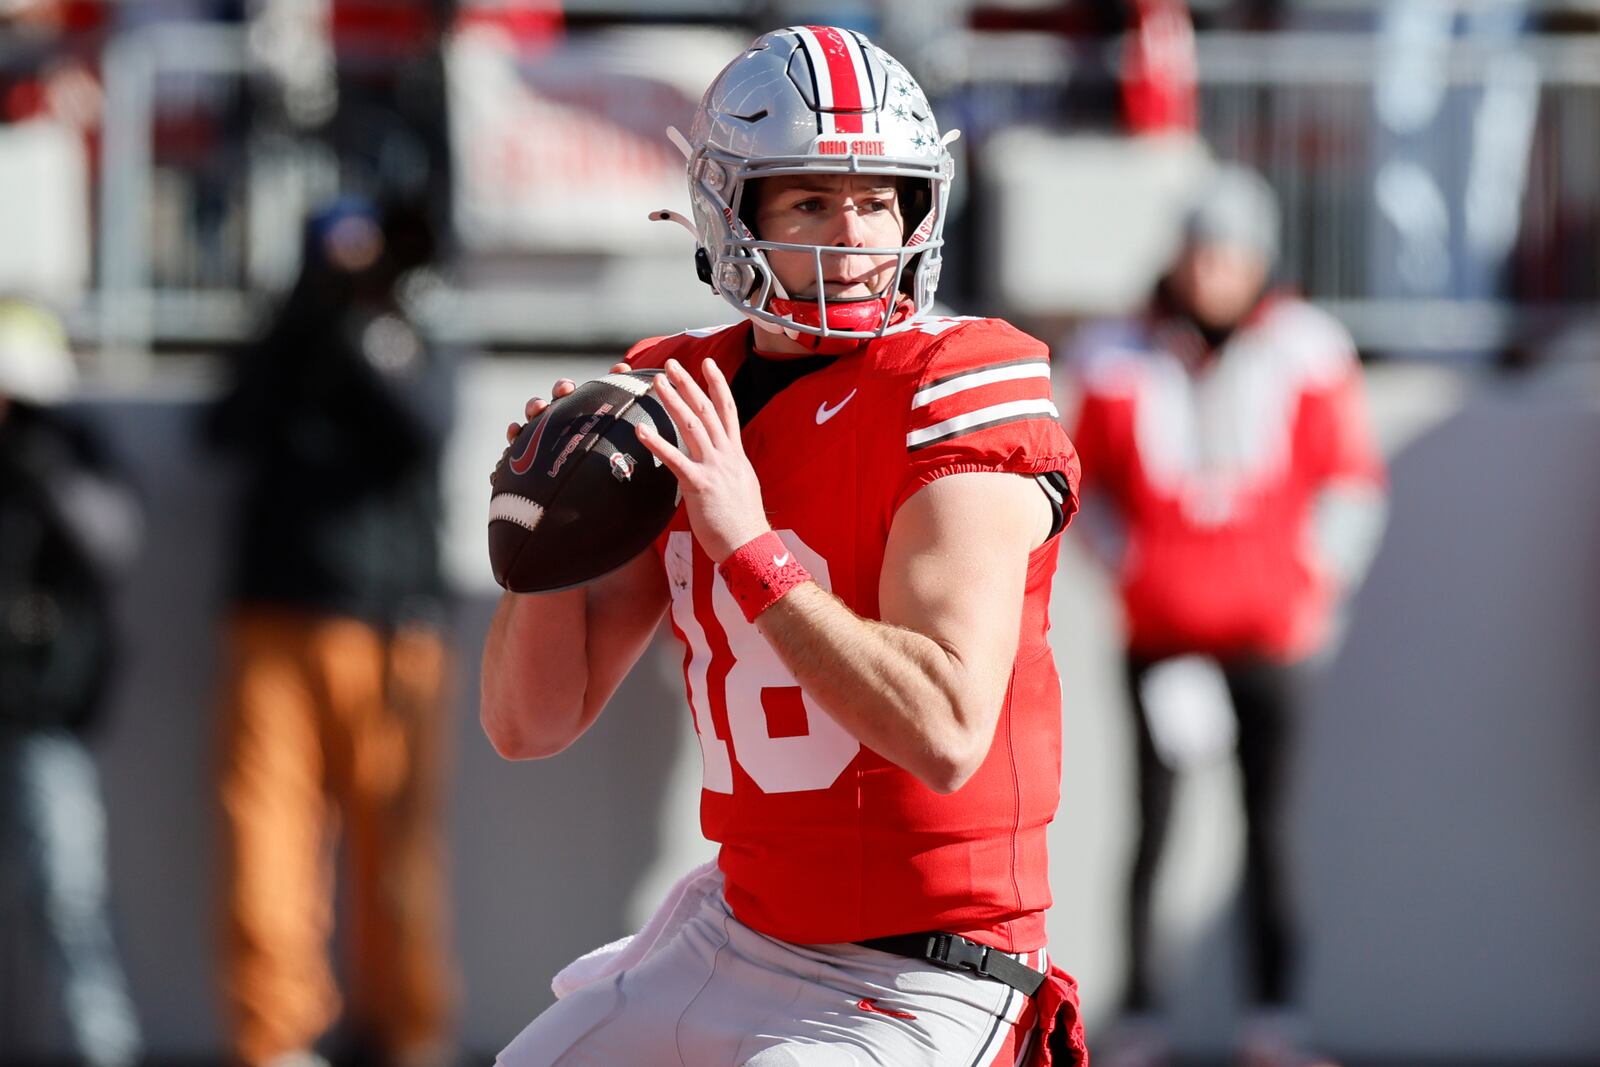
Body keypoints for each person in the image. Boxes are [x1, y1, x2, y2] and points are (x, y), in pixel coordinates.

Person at [481, 26, 1089, 1067]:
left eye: (875, 199)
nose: (851, 236)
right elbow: (530, 723)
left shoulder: (957, 390)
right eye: (810, 200)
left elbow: (944, 729)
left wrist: (750, 543)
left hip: (923, 968)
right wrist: (547, 535)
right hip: (736, 927)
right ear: (732, 211)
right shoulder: (680, 394)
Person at [1064, 164, 1387, 1067]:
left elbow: (1352, 483)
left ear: (1260, 258)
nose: (1213, 270)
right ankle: (1140, 1019)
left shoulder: (1308, 348)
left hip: (1267, 638)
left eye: (1231, 253)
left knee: (1271, 828)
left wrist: (1311, 584)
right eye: (1201, 251)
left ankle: (1274, 1019)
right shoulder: (1115, 353)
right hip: (1162, 639)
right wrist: (1134, 572)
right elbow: (1083, 490)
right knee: (1150, 832)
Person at [205, 195, 458, 1067]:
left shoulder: (411, 329)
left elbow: (426, 427)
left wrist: (359, 333)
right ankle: (274, 1038)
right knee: (265, 843)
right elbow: (223, 429)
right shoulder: (287, 340)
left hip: (394, 632)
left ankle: (409, 1034)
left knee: (401, 859)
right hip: (276, 620)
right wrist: (301, 323)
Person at [0, 296, 143, 1067]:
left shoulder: (68, 451)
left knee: (66, 900)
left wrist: (41, 470)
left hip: (44, 714)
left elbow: (112, 541)